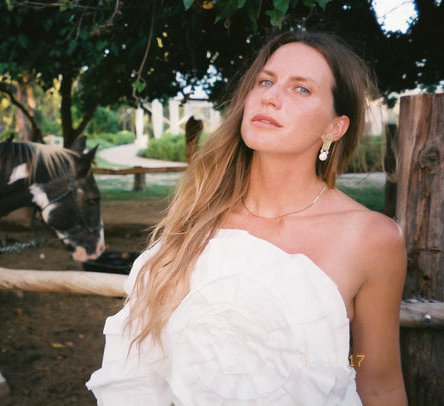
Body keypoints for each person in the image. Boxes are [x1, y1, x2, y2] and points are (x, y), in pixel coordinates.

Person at [86, 30, 407, 405]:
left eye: (301, 89)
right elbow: (142, 365)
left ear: (334, 127)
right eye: (265, 81)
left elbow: (379, 384)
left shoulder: (371, 238)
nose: (270, 97)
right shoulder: (197, 216)